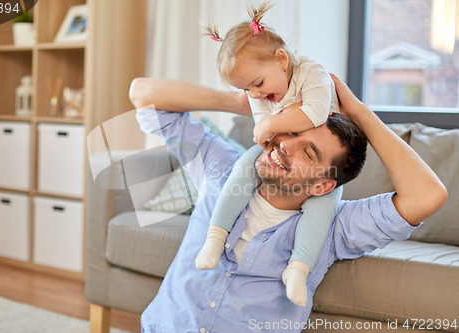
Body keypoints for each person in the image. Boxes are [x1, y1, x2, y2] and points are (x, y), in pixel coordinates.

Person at [129, 75, 447, 333]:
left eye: (308, 152)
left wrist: (360, 113)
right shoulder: (223, 169)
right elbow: (142, 93)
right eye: (292, 131)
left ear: (324, 185)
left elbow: (427, 196)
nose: (285, 145)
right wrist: (243, 103)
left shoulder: (336, 227)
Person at [196, 1, 342, 307]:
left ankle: (298, 268)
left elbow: (315, 114)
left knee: (324, 204)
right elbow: (261, 133)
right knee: (243, 167)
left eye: (258, 84)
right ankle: (215, 236)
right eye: (247, 90)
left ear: (281, 59)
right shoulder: (259, 93)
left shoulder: (311, 72)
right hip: (283, 152)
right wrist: (269, 127)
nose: (256, 95)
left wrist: (274, 123)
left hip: (318, 162)